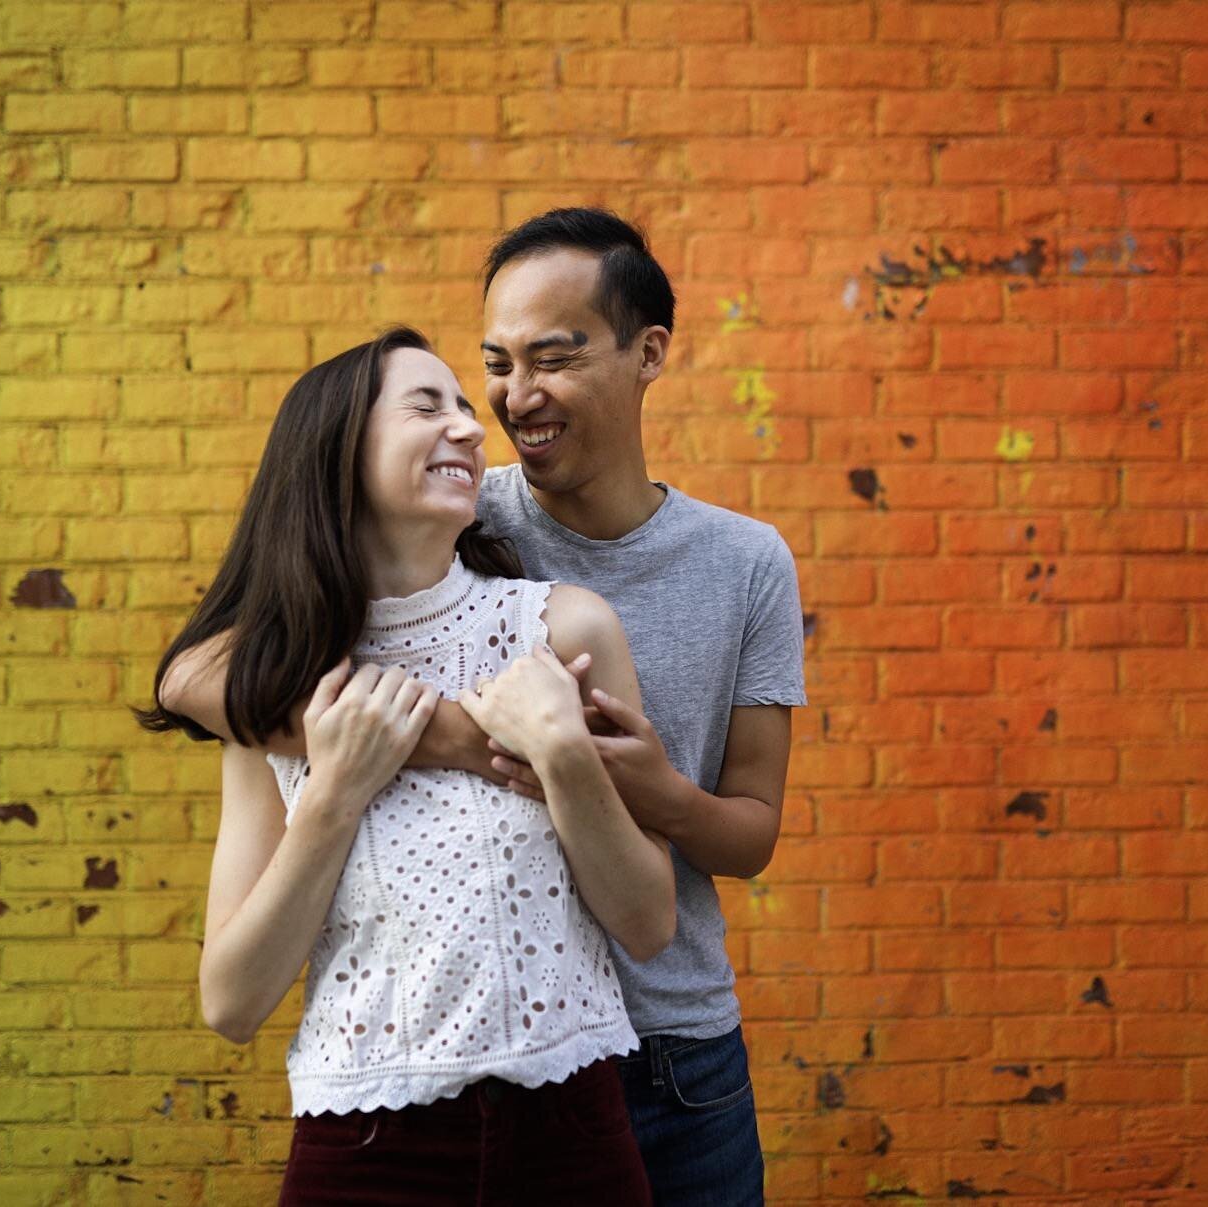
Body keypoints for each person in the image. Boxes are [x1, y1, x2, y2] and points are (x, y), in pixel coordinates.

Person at [166, 209, 807, 1206]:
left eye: (551, 357)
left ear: (648, 354)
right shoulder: (454, 509)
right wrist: (455, 738)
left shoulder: (740, 562)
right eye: (495, 364)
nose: (507, 401)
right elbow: (195, 677)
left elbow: (750, 834)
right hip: (425, 1078)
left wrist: (626, 778)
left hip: (670, 1045)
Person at [136, 326, 674, 1206]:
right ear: (337, 453)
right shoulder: (276, 697)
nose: (468, 427)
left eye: (466, 407)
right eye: (427, 405)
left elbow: (649, 921)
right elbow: (230, 1001)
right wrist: (334, 796)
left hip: (572, 1133)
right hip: (365, 1145)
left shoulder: (564, 634)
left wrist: (567, 757)